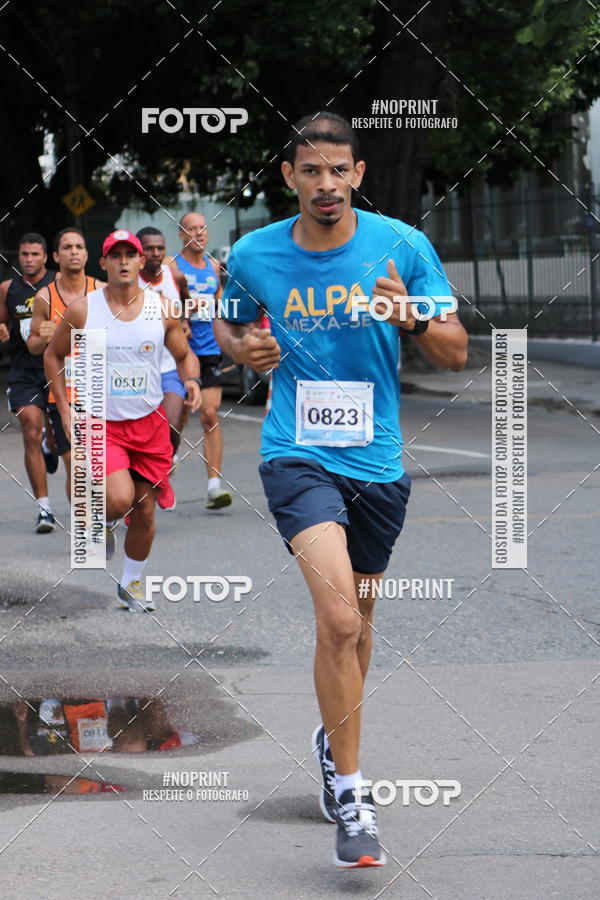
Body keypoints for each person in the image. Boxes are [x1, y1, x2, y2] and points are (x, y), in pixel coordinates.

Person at [215, 112, 468, 868]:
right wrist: (245, 350)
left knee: (358, 623)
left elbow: (456, 352)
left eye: (337, 170)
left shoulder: (402, 245)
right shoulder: (255, 253)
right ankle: (354, 799)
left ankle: (334, 743)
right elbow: (229, 327)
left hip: (378, 464)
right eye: (310, 170)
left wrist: (410, 316)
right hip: (296, 454)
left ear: (358, 174)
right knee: (336, 616)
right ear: (289, 177)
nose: (325, 184)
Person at [45, 229, 201, 611]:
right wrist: (65, 409)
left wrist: (192, 380)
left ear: (141, 261)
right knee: (118, 500)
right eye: (116, 255)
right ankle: (103, 518)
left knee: (144, 509)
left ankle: (131, 583)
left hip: (149, 423)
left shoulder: (161, 308)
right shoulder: (84, 310)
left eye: (130, 254)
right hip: (101, 423)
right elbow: (52, 355)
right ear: (104, 263)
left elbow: (184, 354)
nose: (124, 261)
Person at [27, 228, 104, 501]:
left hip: (98, 390)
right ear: (56, 256)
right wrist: (42, 338)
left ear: (86, 254)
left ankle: (104, 514)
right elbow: (33, 345)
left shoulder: (101, 291)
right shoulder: (44, 297)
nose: (74, 252)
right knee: (76, 463)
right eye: (67, 247)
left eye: (79, 247)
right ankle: (84, 522)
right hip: (63, 392)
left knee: (99, 464)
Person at [170, 211, 232, 509]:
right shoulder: (171, 266)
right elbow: (157, 303)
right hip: (179, 351)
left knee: (209, 414)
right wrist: (184, 312)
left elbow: (221, 303)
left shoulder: (214, 266)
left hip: (209, 350)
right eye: (192, 229)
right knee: (177, 417)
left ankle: (214, 487)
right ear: (182, 235)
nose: (199, 233)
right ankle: (168, 456)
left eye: (203, 228)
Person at [0, 233, 57, 533]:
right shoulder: (7, 289)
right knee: (30, 429)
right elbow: (2, 324)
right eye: (24, 254)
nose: (29, 259)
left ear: (45, 257)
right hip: (24, 371)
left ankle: (51, 444)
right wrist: (2, 332)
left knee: (56, 436)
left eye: (35, 254)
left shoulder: (58, 283)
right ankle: (44, 509)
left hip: (57, 369)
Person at [137, 226, 190, 510]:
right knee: (141, 433)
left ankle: (165, 468)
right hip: (137, 369)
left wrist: (184, 322)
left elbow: (186, 300)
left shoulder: (175, 276)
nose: (156, 253)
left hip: (169, 364)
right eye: (149, 248)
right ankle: (143, 491)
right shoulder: (128, 281)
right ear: (140, 253)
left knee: (172, 422)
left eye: (160, 248)